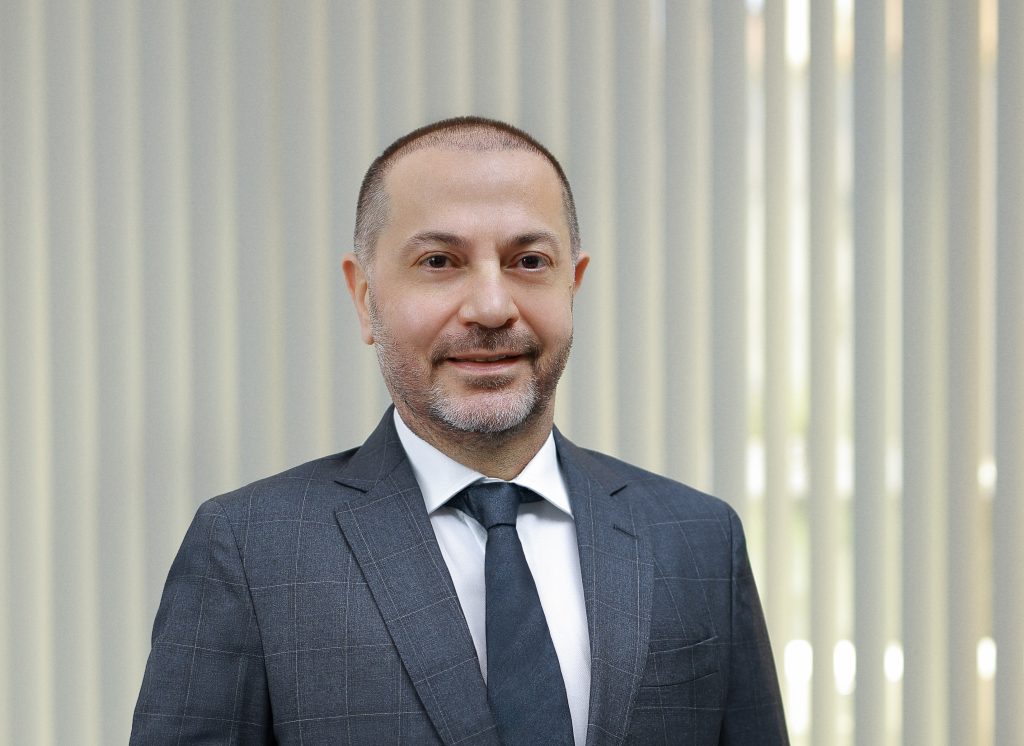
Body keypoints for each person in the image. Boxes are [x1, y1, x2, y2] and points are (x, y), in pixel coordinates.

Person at [131, 116, 788, 745]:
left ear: (573, 284)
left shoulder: (700, 540)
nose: (492, 307)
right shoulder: (251, 551)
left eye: (529, 261)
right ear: (365, 298)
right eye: (440, 261)